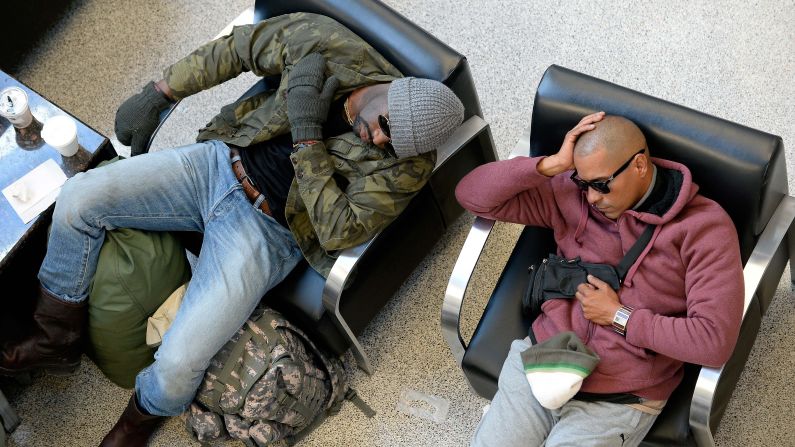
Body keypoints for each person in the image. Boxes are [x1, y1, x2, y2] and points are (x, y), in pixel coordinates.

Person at [0, 13, 464, 446]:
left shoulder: (408, 166)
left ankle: (134, 426)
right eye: (385, 125)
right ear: (392, 88)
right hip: (219, 162)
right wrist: (160, 92)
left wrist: (307, 137)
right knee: (80, 197)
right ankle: (54, 336)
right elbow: (240, 47)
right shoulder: (329, 44)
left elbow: (339, 231)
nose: (378, 140)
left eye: (391, 145)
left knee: (180, 363)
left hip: (267, 233)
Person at [455, 112, 743, 446]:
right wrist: (551, 165)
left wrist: (620, 317)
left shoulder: (704, 228)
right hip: (544, 361)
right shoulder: (570, 194)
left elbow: (714, 342)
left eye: (601, 185)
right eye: (583, 182)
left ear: (638, 165)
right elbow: (471, 195)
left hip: (621, 395)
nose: (591, 197)